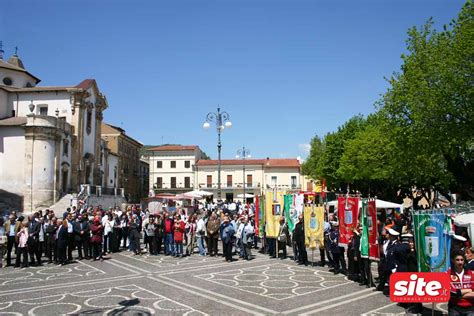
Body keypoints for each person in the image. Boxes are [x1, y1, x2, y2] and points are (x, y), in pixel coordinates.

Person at [448, 250, 474, 315]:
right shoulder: (448, 274)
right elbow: (450, 293)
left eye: (462, 260)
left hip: (470, 307)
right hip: (454, 307)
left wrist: (458, 294)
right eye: (457, 260)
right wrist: (468, 290)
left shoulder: (471, 274)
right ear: (453, 261)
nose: (460, 262)